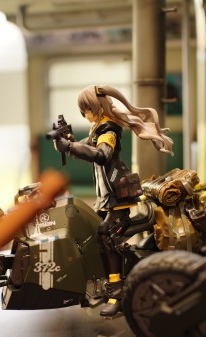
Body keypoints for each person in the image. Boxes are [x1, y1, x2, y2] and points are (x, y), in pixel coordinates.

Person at [52, 84, 174, 317]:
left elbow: (101, 155)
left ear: (97, 107)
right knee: (93, 231)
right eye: (83, 111)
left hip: (118, 197)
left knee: (108, 237)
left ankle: (116, 292)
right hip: (107, 198)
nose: (85, 114)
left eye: (87, 109)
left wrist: (70, 146)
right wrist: (66, 143)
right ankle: (101, 281)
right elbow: (84, 148)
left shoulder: (108, 129)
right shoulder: (97, 129)